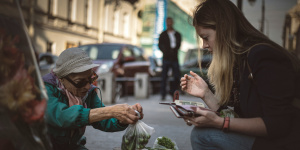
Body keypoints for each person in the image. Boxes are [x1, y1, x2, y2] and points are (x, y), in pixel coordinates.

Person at [180, 0, 300, 149]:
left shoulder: (263, 57)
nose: (204, 45)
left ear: (224, 30)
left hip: (283, 143)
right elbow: (238, 118)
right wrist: (206, 94)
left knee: (203, 136)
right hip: (265, 140)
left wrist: (218, 122)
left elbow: (277, 125)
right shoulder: (239, 61)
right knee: (204, 132)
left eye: (206, 37)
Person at [42, 47, 143, 150]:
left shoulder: (88, 93)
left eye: (90, 79)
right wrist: (111, 111)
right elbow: (61, 116)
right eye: (79, 82)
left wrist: (125, 117)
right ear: (61, 79)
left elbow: (105, 121)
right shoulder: (45, 88)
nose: (87, 86)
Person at [159, 17, 182, 100]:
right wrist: (165, 51)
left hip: (175, 58)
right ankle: (163, 94)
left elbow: (179, 44)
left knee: (176, 76)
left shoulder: (177, 34)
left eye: (170, 22)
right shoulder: (163, 34)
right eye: (167, 22)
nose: (169, 24)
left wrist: (174, 50)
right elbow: (160, 45)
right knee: (164, 77)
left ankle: (174, 92)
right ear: (166, 23)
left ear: (172, 23)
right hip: (166, 58)